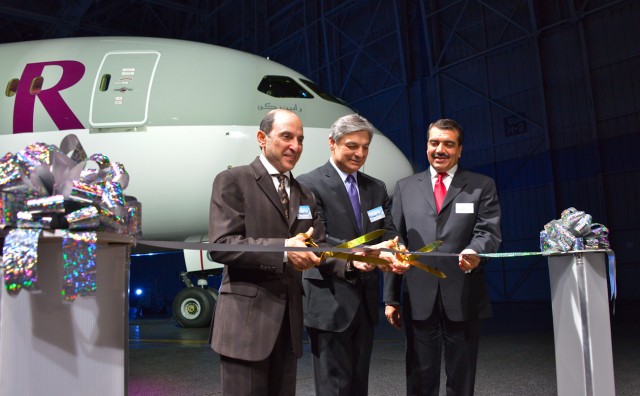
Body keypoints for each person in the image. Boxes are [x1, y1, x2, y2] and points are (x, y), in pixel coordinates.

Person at [208, 109, 324, 396]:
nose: (295, 146)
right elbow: (222, 245)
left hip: (288, 328)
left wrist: (365, 256)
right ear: (262, 138)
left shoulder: (305, 193)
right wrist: (284, 251)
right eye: (286, 137)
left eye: (300, 139)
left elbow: (318, 246)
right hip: (245, 326)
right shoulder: (233, 180)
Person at [384, 118, 501, 396]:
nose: (440, 149)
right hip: (418, 295)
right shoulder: (405, 187)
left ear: (459, 150)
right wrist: (390, 297)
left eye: (448, 144)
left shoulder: (481, 185)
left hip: (463, 293)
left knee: (462, 376)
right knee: (419, 376)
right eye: (434, 143)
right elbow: (394, 239)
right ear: (427, 146)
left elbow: (489, 231)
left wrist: (476, 252)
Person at [297, 113, 408, 396]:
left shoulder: (376, 187)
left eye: (365, 147)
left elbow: (388, 230)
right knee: (334, 386)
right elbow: (314, 237)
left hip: (364, 301)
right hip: (328, 299)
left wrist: (395, 249)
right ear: (332, 144)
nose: (359, 153)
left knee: (359, 384)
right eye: (351, 145)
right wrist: (363, 253)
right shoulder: (307, 184)